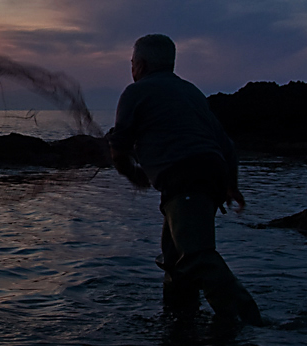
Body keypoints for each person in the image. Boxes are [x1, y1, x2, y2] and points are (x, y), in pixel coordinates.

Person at [108, 34, 263, 326]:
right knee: (175, 260)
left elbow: (119, 148)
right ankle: (180, 321)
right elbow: (226, 143)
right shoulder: (191, 92)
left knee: (196, 255)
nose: (131, 68)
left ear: (140, 64)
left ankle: (249, 322)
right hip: (209, 175)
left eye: (132, 63)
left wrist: (133, 174)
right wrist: (232, 185)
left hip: (185, 179)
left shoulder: (135, 92)